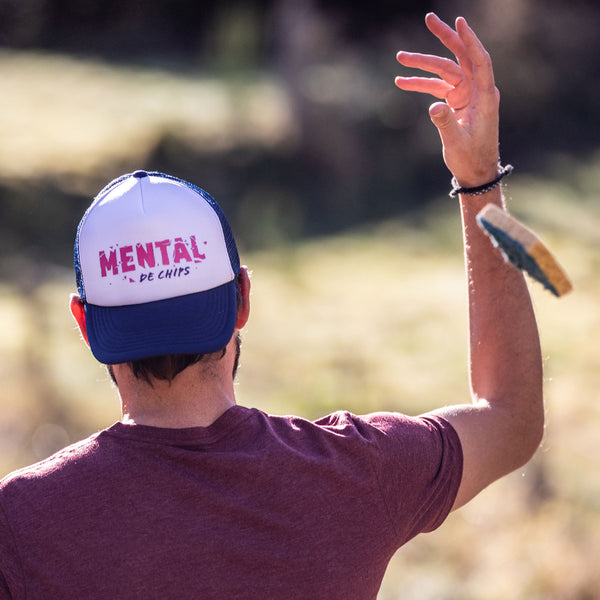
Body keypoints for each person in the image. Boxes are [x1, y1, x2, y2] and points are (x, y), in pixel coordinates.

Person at [0, 13, 543, 599]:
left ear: (85, 325)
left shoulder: (21, 523)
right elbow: (511, 417)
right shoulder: (357, 474)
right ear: (241, 300)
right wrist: (480, 181)